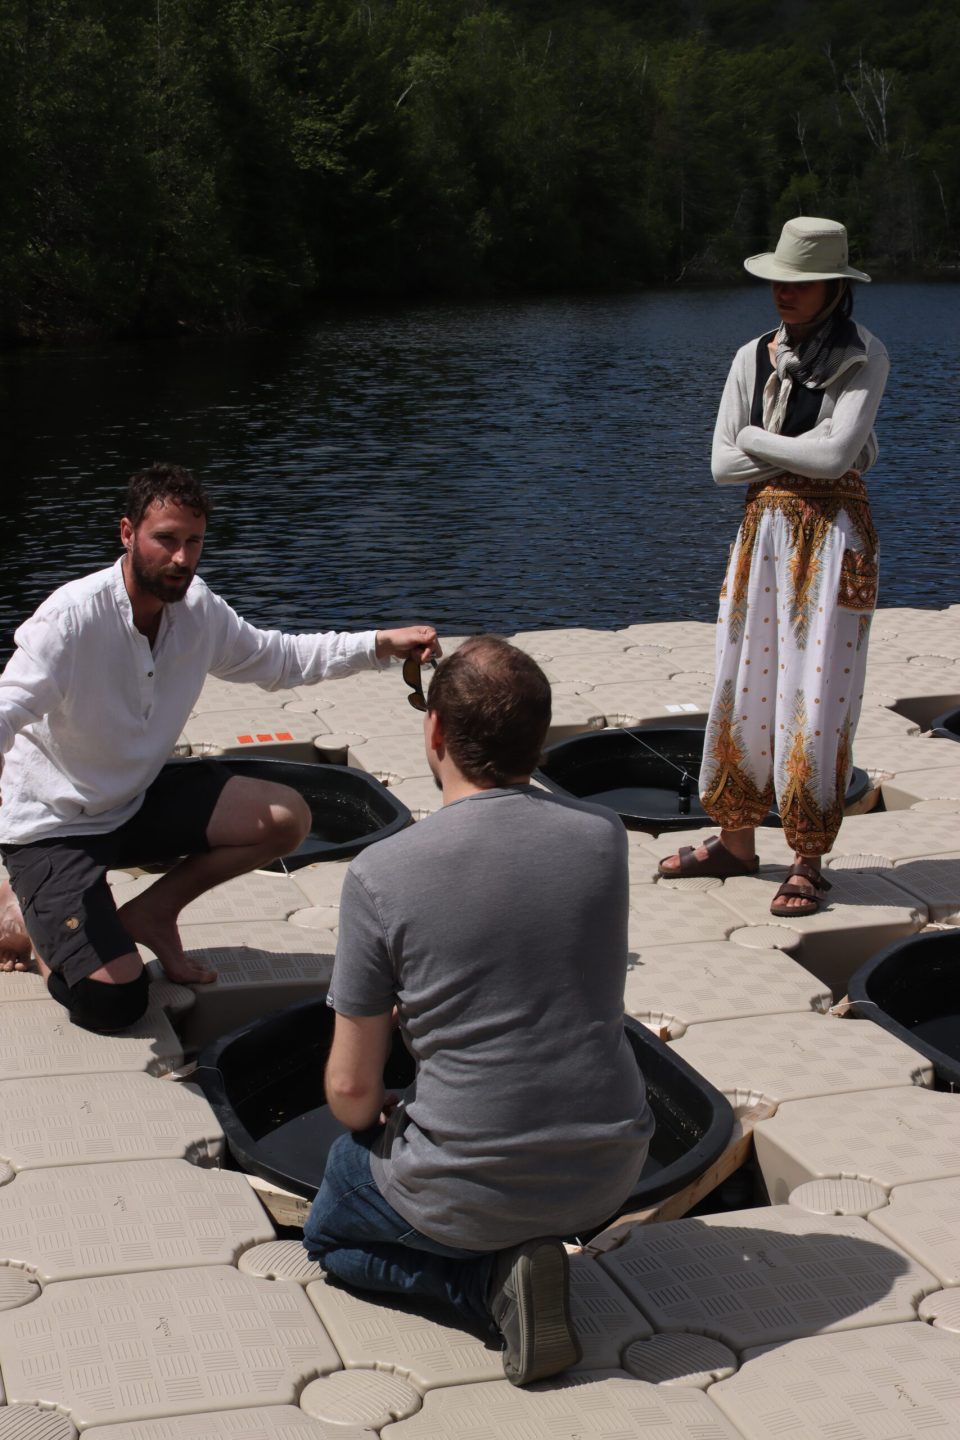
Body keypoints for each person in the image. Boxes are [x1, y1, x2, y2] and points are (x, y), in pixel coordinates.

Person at [302, 635, 653, 1386]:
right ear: (542, 738)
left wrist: (379, 1118)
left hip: (470, 1185)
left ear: (433, 731)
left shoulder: (381, 873)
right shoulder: (603, 838)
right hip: (609, 1170)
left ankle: (482, 1289)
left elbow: (350, 1094)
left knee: (330, 1225)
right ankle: (527, 1261)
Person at [0, 462, 439, 1031]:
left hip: (133, 800)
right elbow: (7, 709)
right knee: (115, 1002)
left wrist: (380, 644)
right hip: (54, 825)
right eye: (166, 540)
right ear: (128, 533)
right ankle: (21, 918)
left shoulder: (197, 609)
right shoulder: (70, 620)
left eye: (194, 542)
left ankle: (155, 910)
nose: (182, 558)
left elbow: (280, 660)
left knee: (285, 817)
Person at [659, 216, 889, 916]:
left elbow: (834, 459)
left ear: (833, 287)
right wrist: (800, 442)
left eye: (799, 282)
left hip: (832, 538)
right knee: (744, 679)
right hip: (761, 535)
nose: (784, 294)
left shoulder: (865, 355)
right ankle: (736, 841)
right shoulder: (750, 356)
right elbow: (719, 467)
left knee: (816, 694)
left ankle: (808, 856)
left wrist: (758, 436)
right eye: (778, 281)